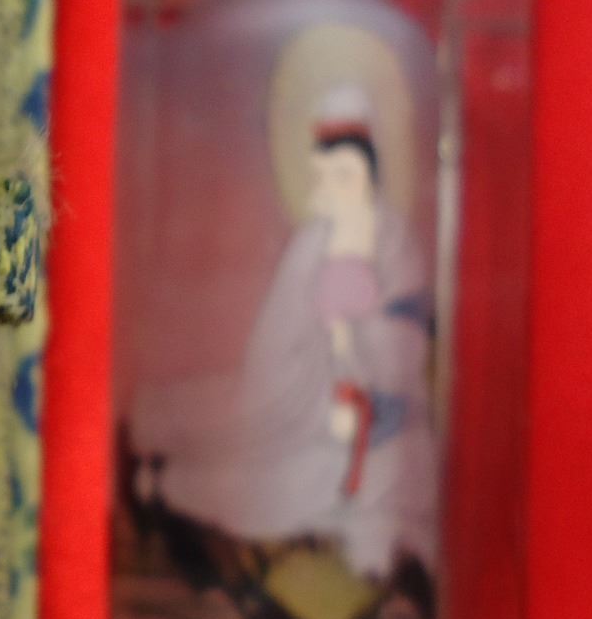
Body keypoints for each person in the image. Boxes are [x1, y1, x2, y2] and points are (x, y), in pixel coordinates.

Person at [150, 91, 438, 578]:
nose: (337, 189)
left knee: (290, 484)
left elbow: (407, 349)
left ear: (371, 172)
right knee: (238, 429)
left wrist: (355, 335)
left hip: (383, 425)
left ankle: (165, 481)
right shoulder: (311, 242)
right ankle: (158, 455)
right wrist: (323, 356)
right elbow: (276, 343)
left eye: (347, 175)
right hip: (307, 402)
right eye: (326, 177)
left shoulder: (395, 241)